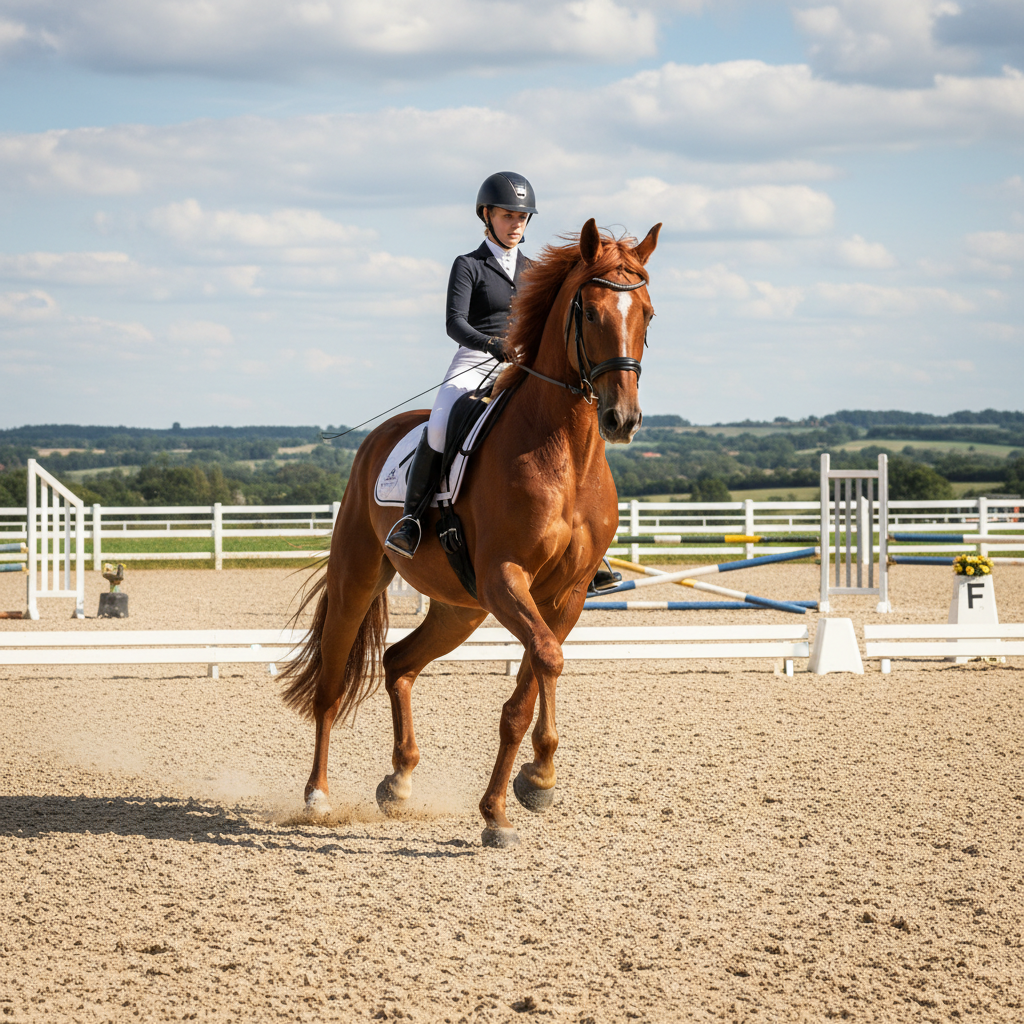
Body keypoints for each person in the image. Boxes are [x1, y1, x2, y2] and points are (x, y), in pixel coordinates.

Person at [384, 171, 537, 558]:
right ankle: (411, 520)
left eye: (521, 217)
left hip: (524, 364)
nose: (515, 225)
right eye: (507, 216)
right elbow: (455, 322)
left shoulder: (535, 270)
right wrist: (490, 343)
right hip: (475, 358)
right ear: (486, 215)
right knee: (439, 423)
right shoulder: (469, 264)